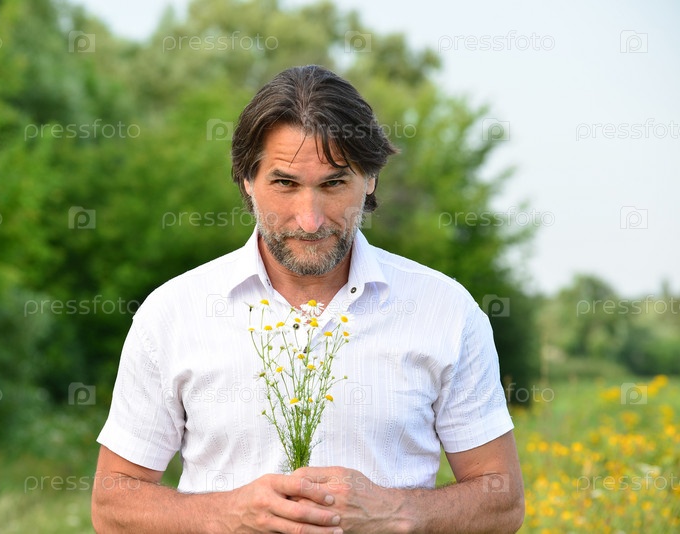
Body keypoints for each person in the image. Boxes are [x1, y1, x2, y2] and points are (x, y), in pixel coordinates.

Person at [91, 65, 524, 533]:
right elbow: (112, 506)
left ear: (370, 179)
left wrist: (397, 512)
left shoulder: (446, 311)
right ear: (247, 181)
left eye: (333, 184)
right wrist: (226, 515)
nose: (310, 219)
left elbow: (503, 503)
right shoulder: (171, 314)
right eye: (285, 184)